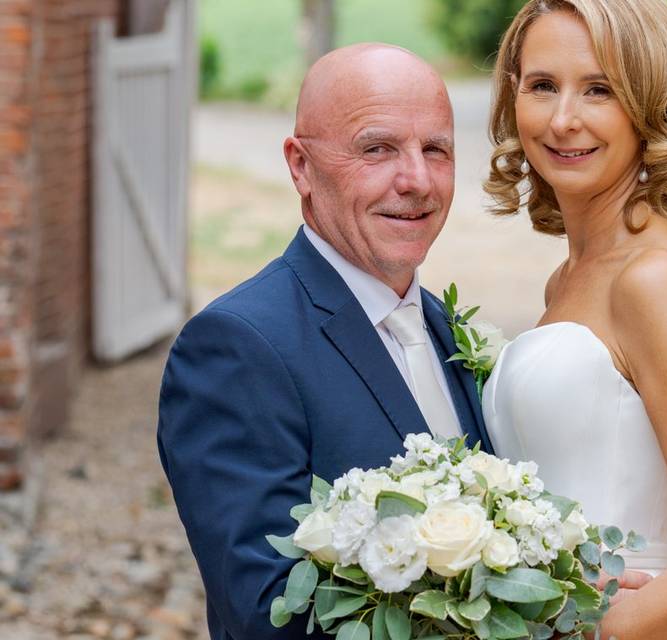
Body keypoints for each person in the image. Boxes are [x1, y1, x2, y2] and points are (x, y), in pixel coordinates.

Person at [157, 44, 493, 640]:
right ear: (300, 166)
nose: (416, 180)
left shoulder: (447, 328)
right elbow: (268, 613)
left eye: (435, 149)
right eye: (378, 148)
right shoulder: (237, 347)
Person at [480, 1, 667, 638]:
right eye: (543, 86)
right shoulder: (569, 277)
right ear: (514, 97)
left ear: (648, 104)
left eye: (600, 90)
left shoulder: (654, 279)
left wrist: (596, 632)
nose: (564, 120)